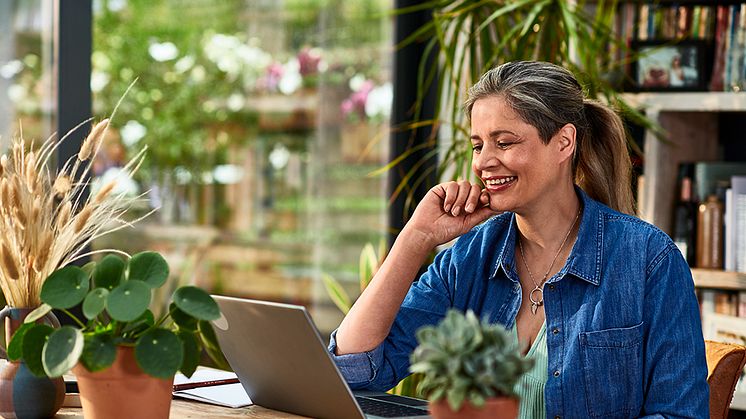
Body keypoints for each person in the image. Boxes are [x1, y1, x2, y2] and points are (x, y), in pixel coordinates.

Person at [327, 61, 709, 418]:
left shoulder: (647, 259)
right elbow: (355, 371)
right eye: (478, 145)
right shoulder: (470, 258)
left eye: (504, 142)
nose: (483, 162)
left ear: (563, 143)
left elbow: (678, 413)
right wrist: (416, 237)